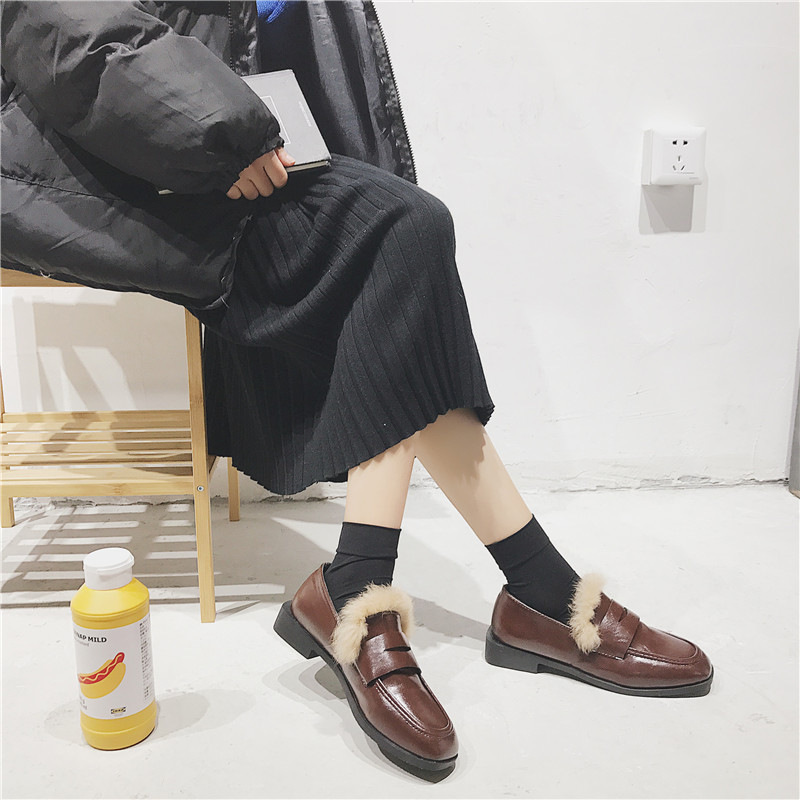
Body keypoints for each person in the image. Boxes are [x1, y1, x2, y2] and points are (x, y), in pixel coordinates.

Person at [1, 0, 713, 775]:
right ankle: (503, 594)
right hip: (102, 159)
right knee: (402, 233)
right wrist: (220, 129)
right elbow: (79, 29)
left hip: (201, 139)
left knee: (402, 246)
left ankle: (414, 592)